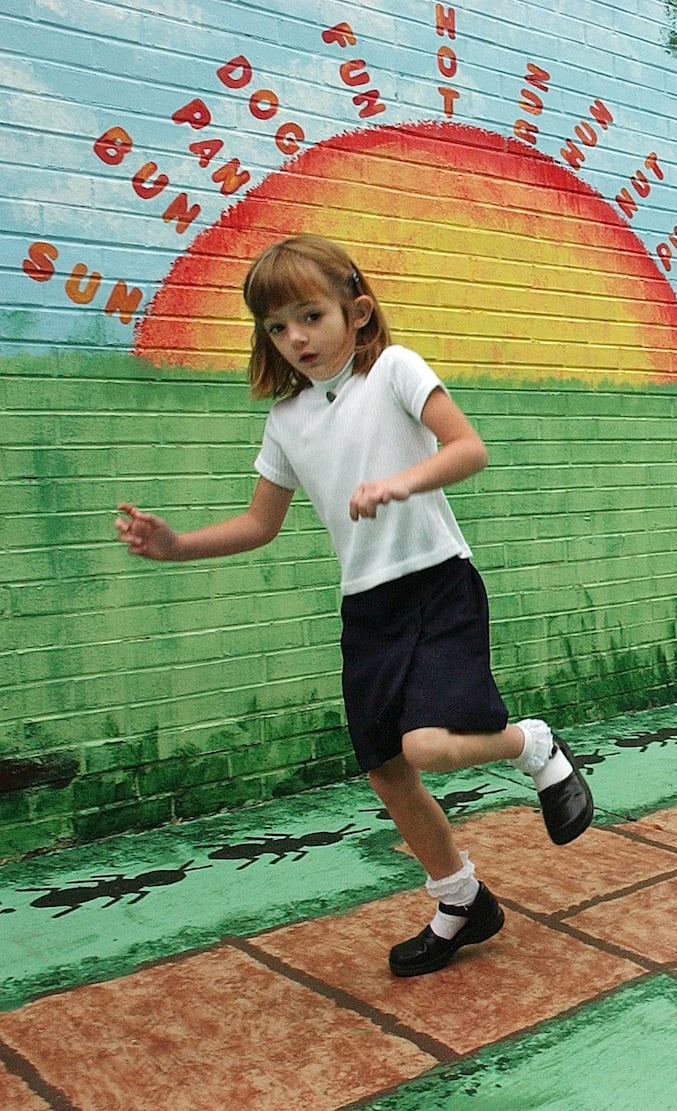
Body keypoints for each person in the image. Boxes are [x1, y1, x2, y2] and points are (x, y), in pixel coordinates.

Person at [115, 234, 592, 977]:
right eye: (277, 326)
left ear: (358, 311)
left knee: (426, 745)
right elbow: (259, 523)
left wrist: (402, 481)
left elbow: (468, 449)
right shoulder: (286, 421)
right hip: (367, 608)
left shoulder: (394, 370)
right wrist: (176, 546)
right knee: (386, 769)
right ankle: (463, 900)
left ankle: (532, 744)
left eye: (310, 315)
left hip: (437, 583)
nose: (296, 337)